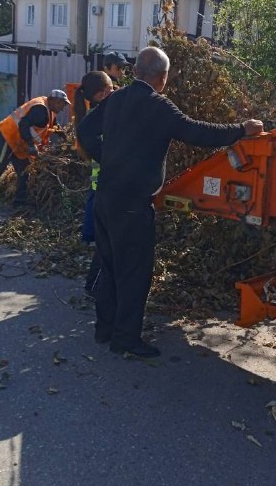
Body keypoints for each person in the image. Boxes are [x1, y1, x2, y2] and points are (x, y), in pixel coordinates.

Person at [77, 45, 264, 358]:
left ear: (136, 71)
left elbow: (84, 130)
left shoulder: (116, 99)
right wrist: (241, 130)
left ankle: (104, 329)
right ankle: (126, 340)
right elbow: (197, 132)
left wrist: (107, 158)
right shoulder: (157, 105)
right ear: (161, 78)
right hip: (133, 205)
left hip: (105, 198)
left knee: (109, 268)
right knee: (135, 273)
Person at [0, 89, 70, 213]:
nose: (63, 108)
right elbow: (23, 124)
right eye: (62, 104)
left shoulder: (49, 110)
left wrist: (66, 137)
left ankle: (19, 202)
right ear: (53, 101)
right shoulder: (40, 110)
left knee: (24, 170)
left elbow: (54, 125)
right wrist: (31, 145)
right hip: (8, 136)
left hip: (18, 142)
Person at [72, 71, 114, 297]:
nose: (114, 92)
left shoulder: (93, 116)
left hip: (98, 187)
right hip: (103, 188)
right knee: (106, 242)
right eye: (110, 90)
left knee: (104, 241)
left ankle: (95, 284)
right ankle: (94, 285)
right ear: (101, 94)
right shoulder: (100, 118)